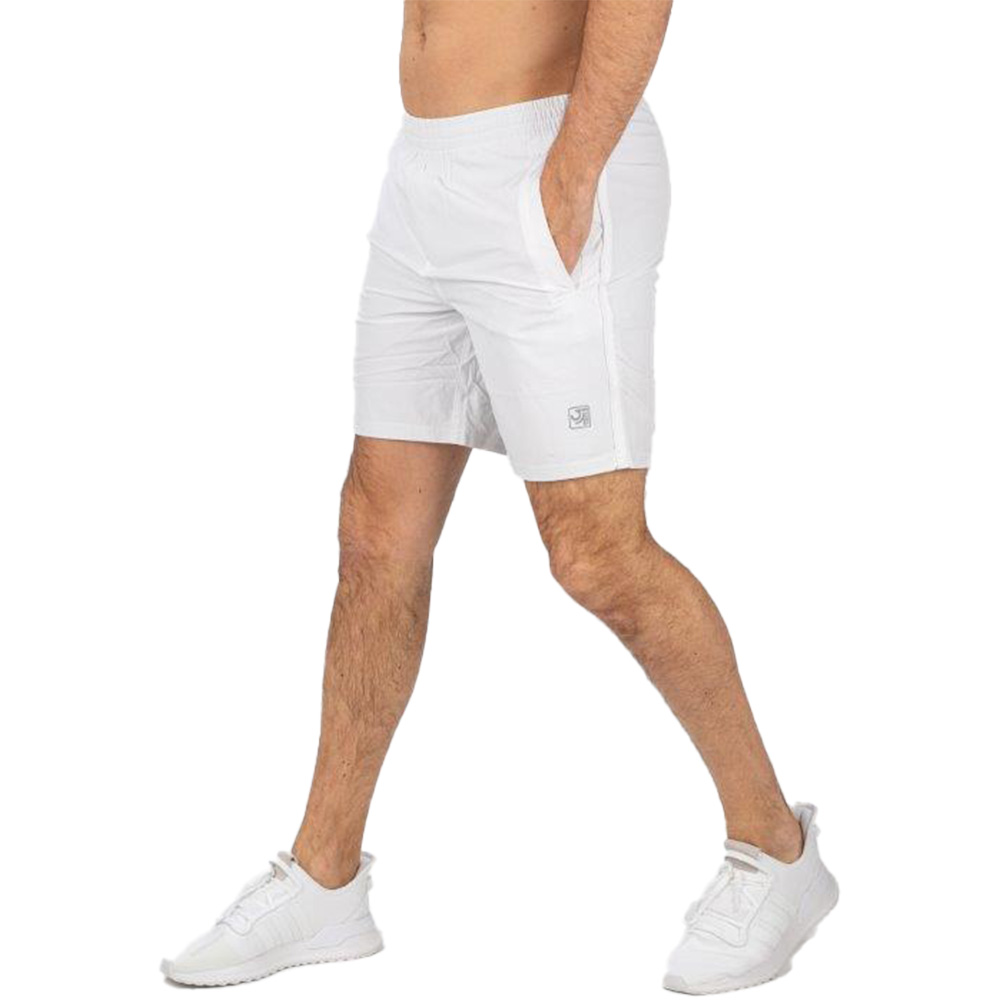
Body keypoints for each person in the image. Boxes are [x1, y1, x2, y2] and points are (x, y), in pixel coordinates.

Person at [161, 2, 838, 993]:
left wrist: (574, 168)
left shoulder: (566, 164)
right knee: (376, 533)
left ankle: (777, 849)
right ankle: (324, 876)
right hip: (424, 170)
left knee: (596, 553)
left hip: (550, 154)